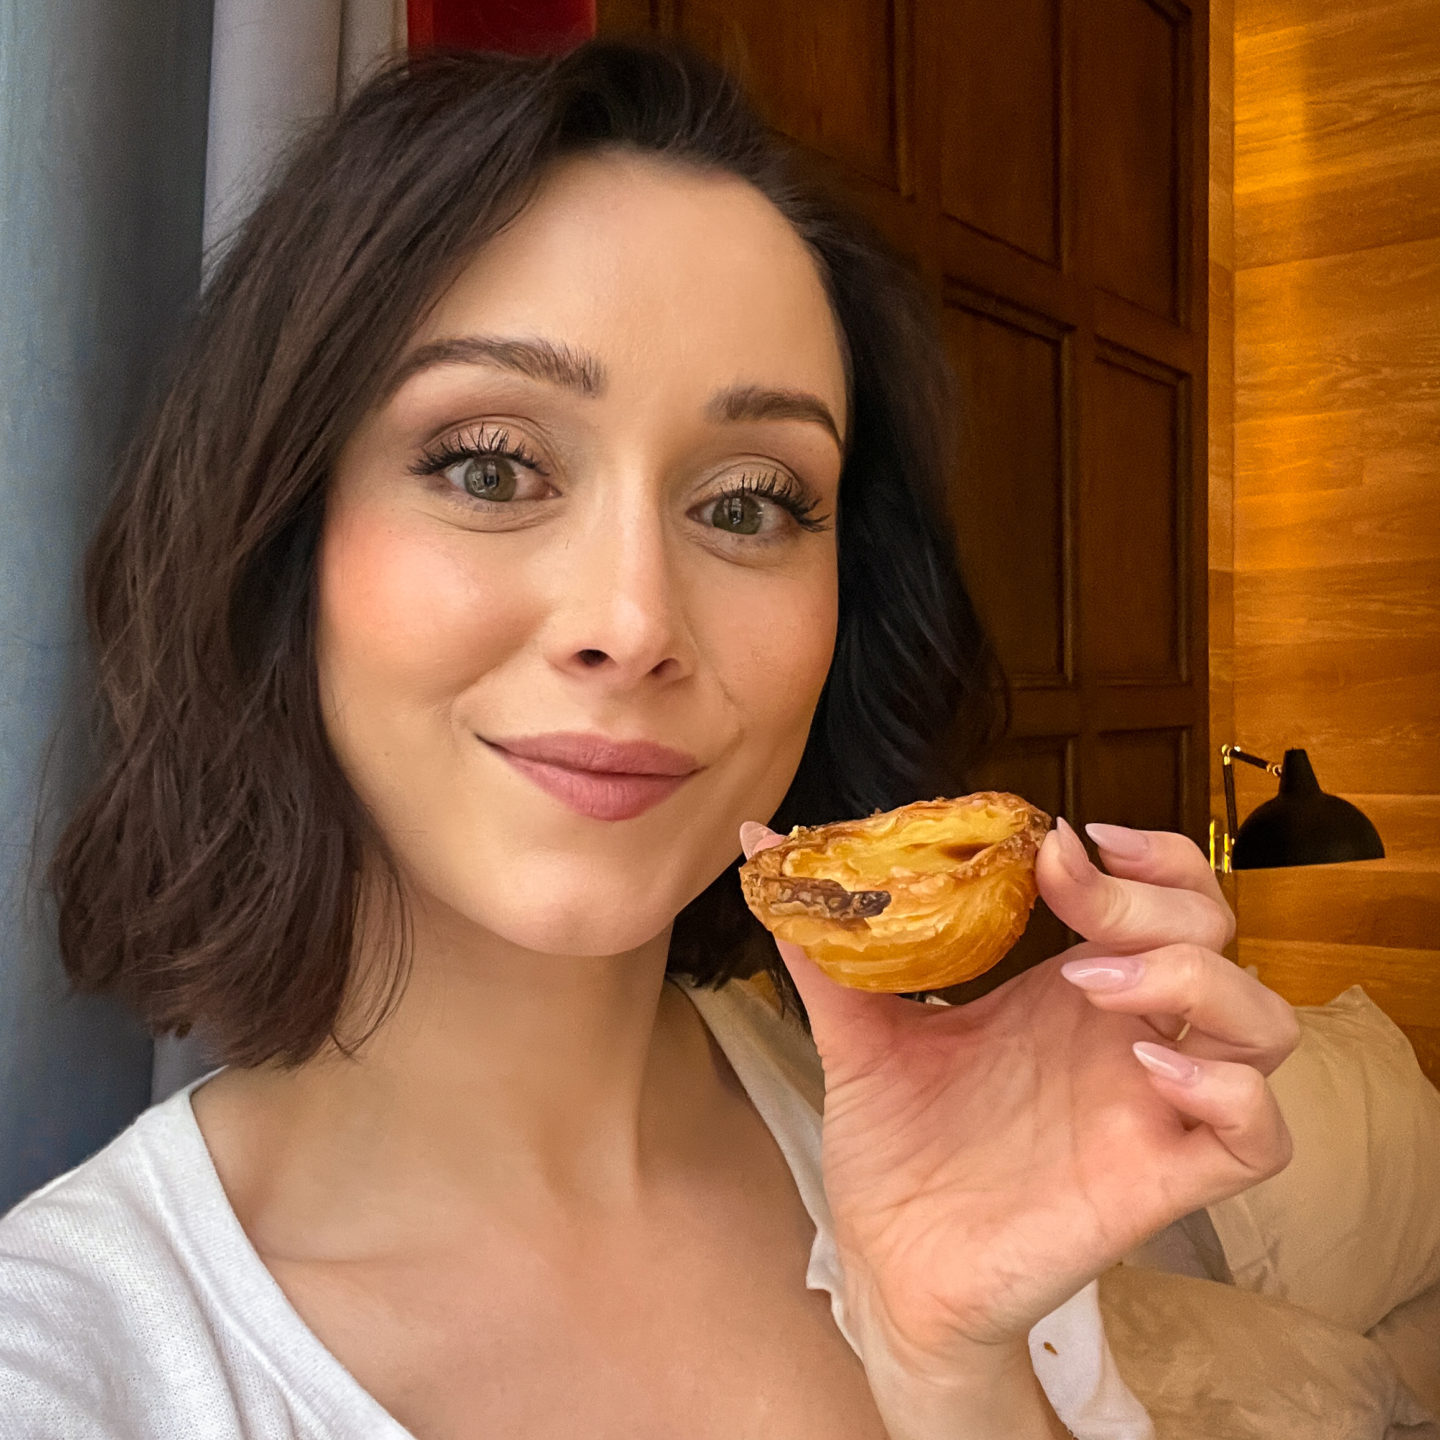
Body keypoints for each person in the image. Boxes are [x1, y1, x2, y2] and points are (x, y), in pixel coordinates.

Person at [0, 36, 1300, 1440]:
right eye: (490, 466)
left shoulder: (940, 1173)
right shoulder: (68, 1364)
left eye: (747, 504)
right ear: (283, 538)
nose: (631, 622)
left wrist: (959, 1378)